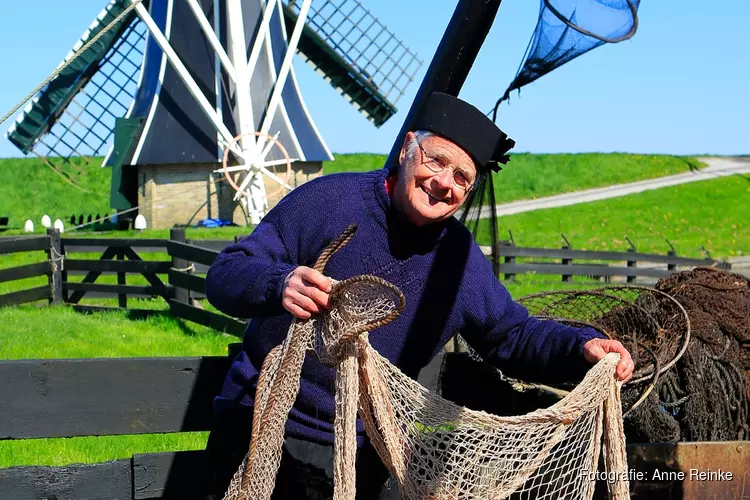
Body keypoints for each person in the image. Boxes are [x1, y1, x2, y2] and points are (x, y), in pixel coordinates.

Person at [202, 92, 634, 499]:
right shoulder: (328, 201)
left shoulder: (459, 262)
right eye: (437, 161)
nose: (443, 182)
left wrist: (582, 348)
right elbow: (225, 274)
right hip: (257, 425)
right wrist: (280, 284)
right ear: (409, 148)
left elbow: (513, 335)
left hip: (361, 451)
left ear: (468, 192)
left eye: (462, 177)